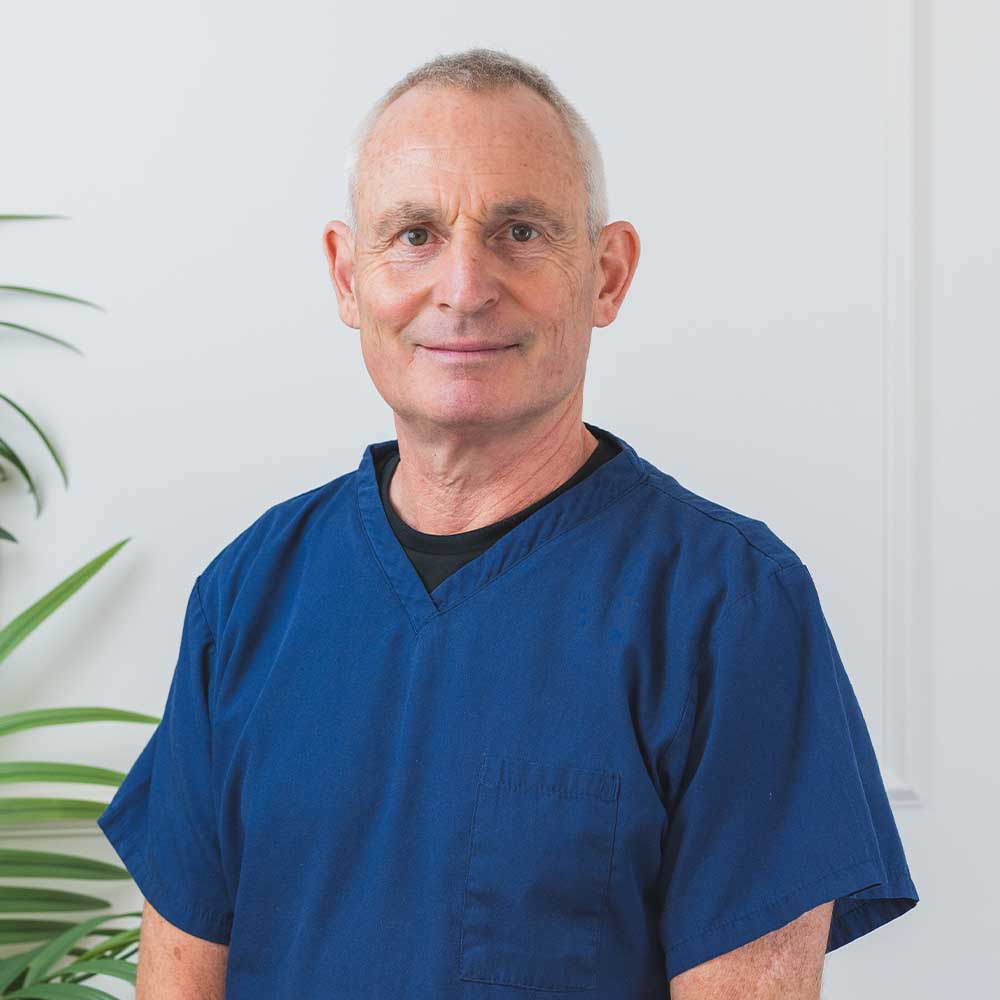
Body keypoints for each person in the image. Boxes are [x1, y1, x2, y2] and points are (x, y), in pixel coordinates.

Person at [97, 47, 919, 999]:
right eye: (413, 234)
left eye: (519, 232)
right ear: (347, 276)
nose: (463, 286)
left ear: (606, 274)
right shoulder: (248, 593)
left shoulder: (730, 608)